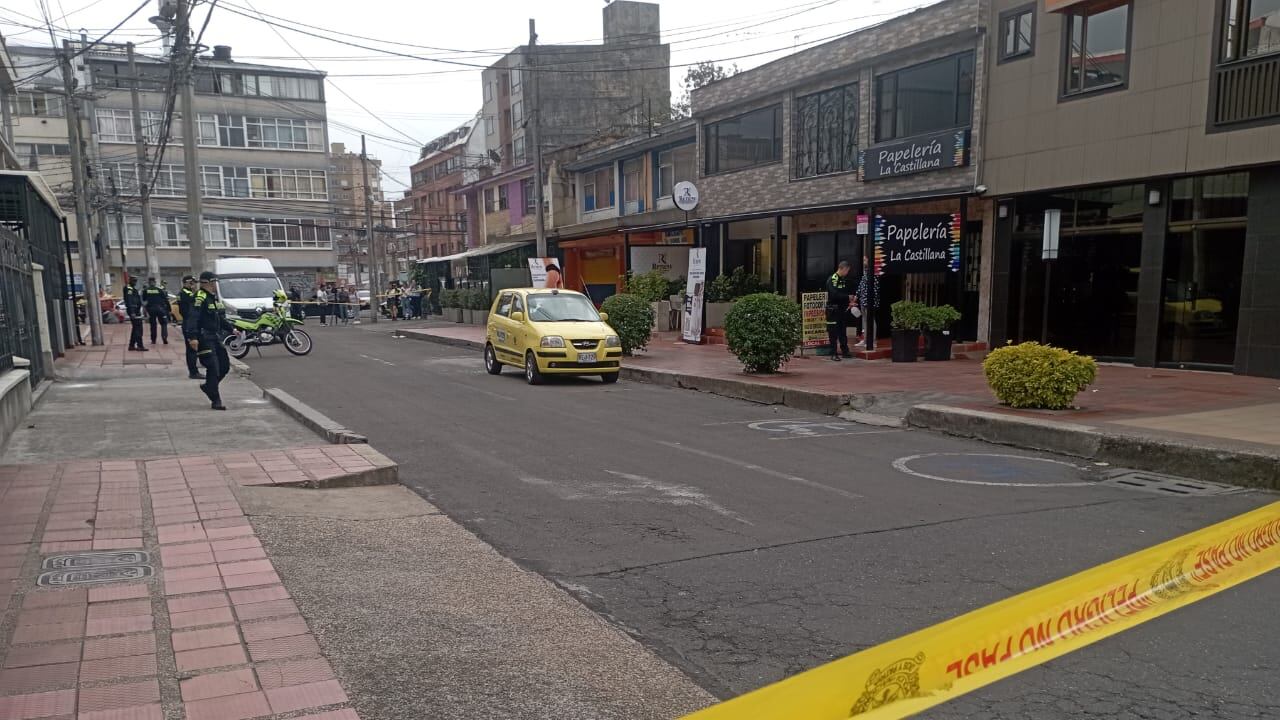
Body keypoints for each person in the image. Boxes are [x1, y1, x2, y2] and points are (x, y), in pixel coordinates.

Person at [184, 271, 234, 411]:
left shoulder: (212, 298)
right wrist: (192, 337)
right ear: (206, 283)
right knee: (213, 366)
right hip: (203, 337)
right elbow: (192, 318)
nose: (214, 286)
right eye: (212, 283)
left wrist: (231, 329)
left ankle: (209, 387)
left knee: (224, 366)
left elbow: (217, 318)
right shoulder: (199, 298)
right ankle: (215, 400)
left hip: (214, 337)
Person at [825, 260, 854, 361]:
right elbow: (834, 295)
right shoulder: (833, 279)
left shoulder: (843, 279)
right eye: (847, 271)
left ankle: (845, 351)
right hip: (833, 309)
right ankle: (833, 353)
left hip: (842, 309)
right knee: (833, 332)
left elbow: (844, 292)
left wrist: (849, 302)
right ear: (843, 268)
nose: (847, 273)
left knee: (842, 330)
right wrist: (847, 297)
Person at [176, 275, 203, 380]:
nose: (194, 285)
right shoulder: (186, 294)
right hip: (189, 322)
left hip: (188, 322)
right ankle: (193, 372)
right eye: (192, 283)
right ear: (187, 283)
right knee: (192, 349)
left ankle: (194, 370)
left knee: (192, 349)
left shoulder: (184, 293)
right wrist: (195, 291)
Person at [142, 277, 170, 345]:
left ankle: (153, 340)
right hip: (160, 309)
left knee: (153, 325)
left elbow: (144, 300)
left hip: (151, 310)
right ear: (154, 282)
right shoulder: (159, 290)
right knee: (163, 323)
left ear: (149, 282)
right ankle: (164, 338)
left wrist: (146, 310)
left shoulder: (146, 290)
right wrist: (169, 309)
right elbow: (165, 300)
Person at [122, 276, 147, 352]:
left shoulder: (133, 289)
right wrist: (132, 312)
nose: (135, 282)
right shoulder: (129, 289)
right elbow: (129, 301)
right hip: (133, 310)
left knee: (135, 328)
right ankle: (140, 346)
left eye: (136, 281)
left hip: (136, 310)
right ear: (130, 281)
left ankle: (131, 345)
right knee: (138, 329)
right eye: (133, 281)